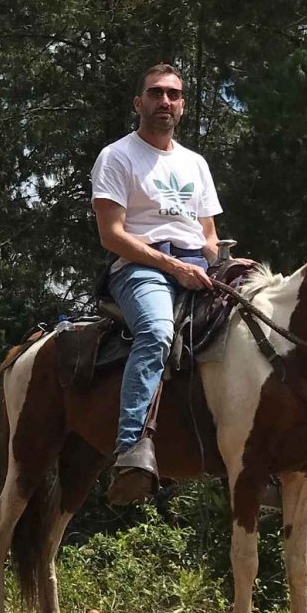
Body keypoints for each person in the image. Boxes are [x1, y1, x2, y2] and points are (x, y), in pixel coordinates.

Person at [90, 63, 222, 504]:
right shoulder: (117, 156)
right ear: (138, 103)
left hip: (194, 264)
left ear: (182, 105)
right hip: (139, 267)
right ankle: (131, 448)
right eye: (155, 93)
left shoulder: (196, 164)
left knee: (257, 322)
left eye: (173, 94)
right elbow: (112, 235)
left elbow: (207, 233)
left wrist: (220, 262)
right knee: (156, 331)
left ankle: (267, 457)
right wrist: (173, 267)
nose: (164, 101)